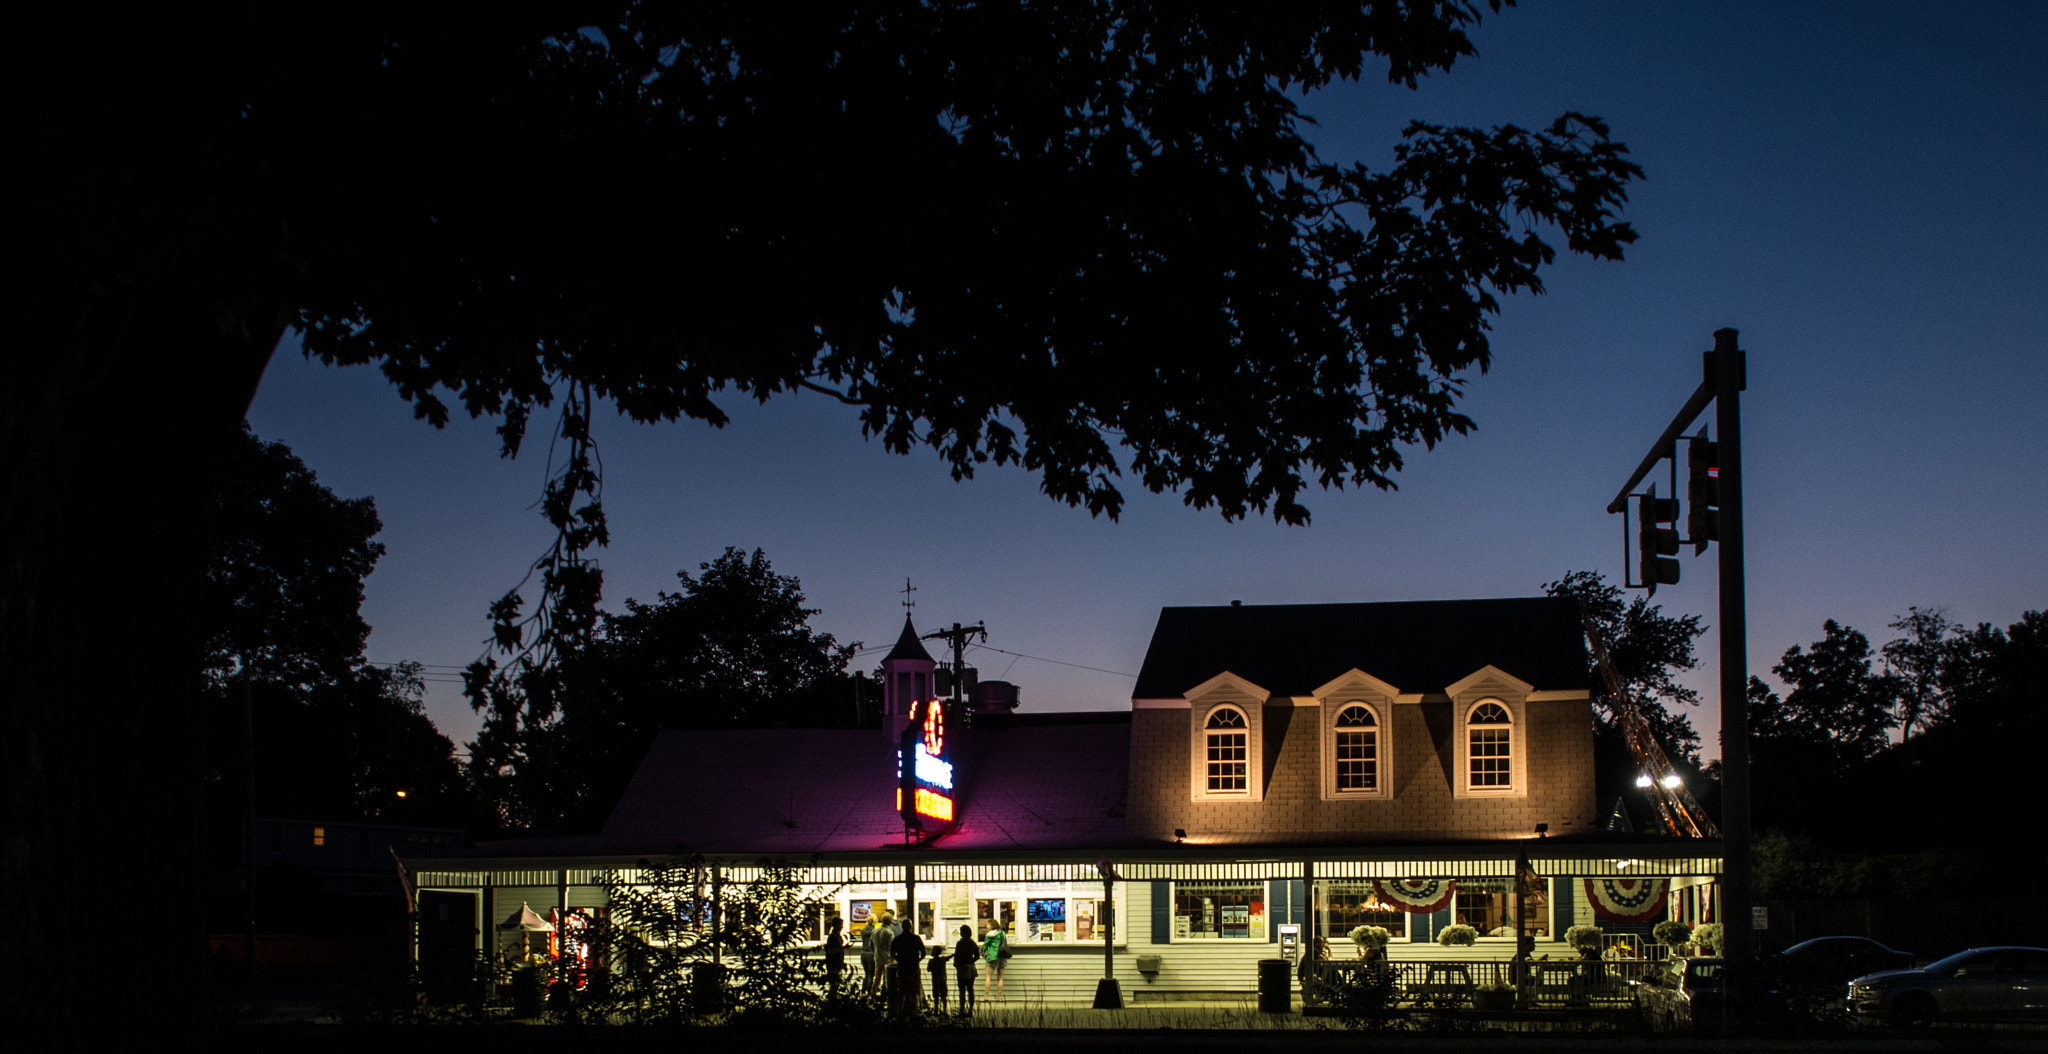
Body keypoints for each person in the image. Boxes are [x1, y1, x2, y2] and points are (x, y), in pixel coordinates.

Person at [893, 921, 925, 1016]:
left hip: (902, 968)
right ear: (911, 927)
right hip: (913, 968)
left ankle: (901, 1012)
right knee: (914, 991)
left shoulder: (898, 939)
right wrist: (918, 960)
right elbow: (923, 952)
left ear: (902, 927)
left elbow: (892, 953)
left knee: (902, 990)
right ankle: (913, 1011)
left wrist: (898, 959)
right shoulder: (916, 938)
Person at [953, 924, 979, 1014]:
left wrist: (956, 963)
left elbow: (957, 955)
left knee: (962, 990)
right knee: (970, 989)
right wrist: (971, 960)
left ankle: (962, 1009)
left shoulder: (960, 943)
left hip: (962, 967)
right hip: (971, 967)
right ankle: (970, 1009)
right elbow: (977, 955)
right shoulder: (972, 943)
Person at [982, 921, 1009, 1003]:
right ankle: (999, 997)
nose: (986, 926)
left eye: (988, 924)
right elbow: (1005, 942)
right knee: (1000, 977)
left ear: (992, 925)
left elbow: (985, 945)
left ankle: (986, 997)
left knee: (988, 977)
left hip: (992, 956)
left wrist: (982, 952)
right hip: (1002, 956)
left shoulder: (989, 934)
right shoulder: (1003, 933)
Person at [872, 912, 896, 998]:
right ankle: (885, 996)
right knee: (886, 979)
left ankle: (873, 994)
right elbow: (891, 947)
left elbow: (871, 945)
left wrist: (874, 952)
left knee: (877, 978)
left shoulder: (874, 930)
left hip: (877, 957)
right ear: (890, 922)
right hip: (887, 958)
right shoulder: (889, 933)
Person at [822, 915, 845, 997]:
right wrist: (841, 949)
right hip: (833, 964)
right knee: (834, 984)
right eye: (840, 925)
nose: (841, 927)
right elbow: (831, 951)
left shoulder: (838, 936)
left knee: (836, 984)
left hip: (838, 963)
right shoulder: (832, 937)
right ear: (835, 925)